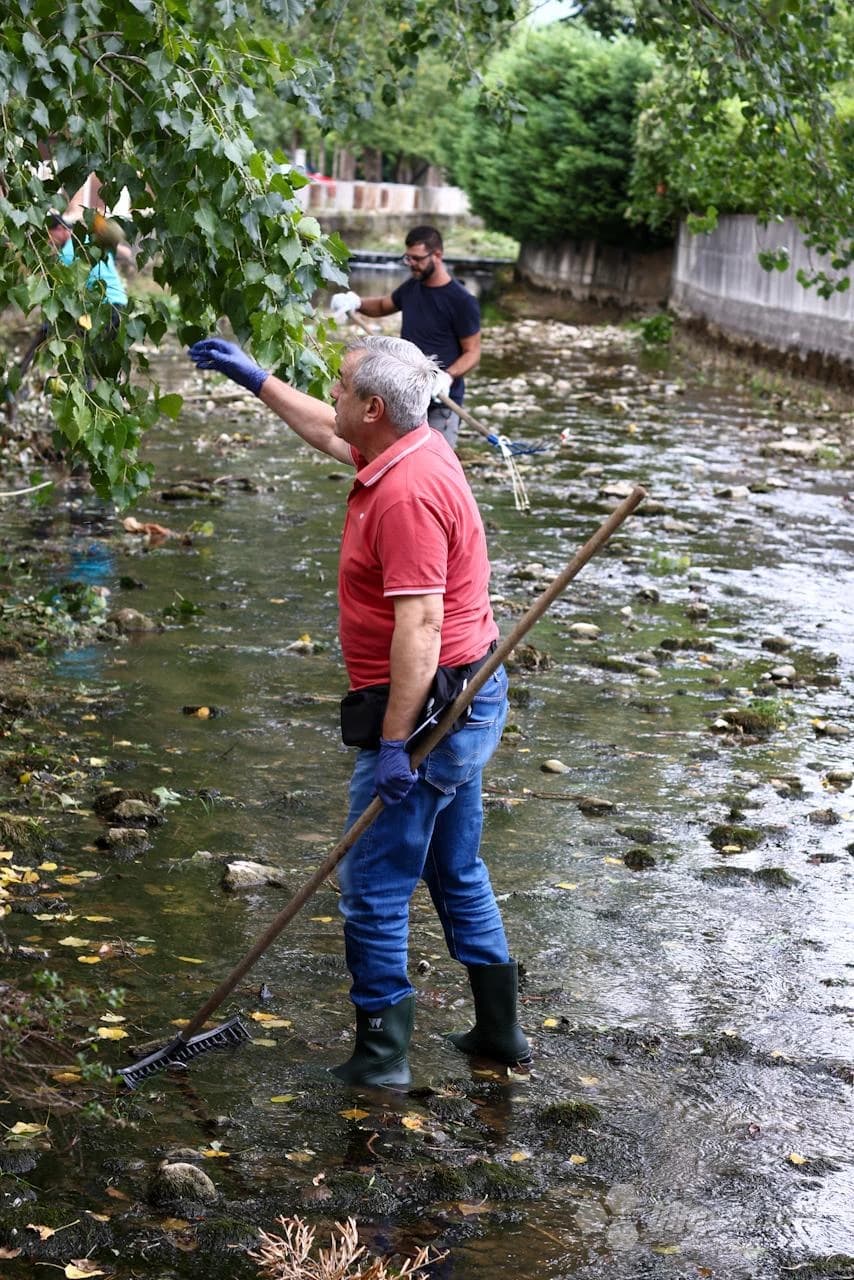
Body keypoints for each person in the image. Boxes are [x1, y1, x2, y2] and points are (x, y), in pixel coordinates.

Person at [187, 332, 531, 1087]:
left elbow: (422, 627)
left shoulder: (406, 495)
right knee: (455, 866)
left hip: (434, 709)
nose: (333, 396)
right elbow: (327, 429)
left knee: (372, 886)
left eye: (341, 386)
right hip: (470, 692)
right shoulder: (410, 444)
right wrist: (258, 382)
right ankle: (500, 1035)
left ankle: (381, 1057)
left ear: (375, 406)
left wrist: (396, 745)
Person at [330, 225, 480, 449]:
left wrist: (446, 377)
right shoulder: (412, 288)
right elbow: (382, 305)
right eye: (407, 258)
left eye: (417, 259)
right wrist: (357, 302)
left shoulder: (462, 301)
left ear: (437, 255)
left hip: (440, 401)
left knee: (433, 461)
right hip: (404, 396)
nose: (411, 265)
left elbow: (473, 352)